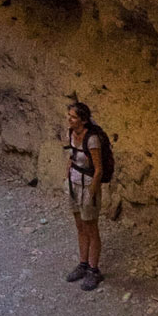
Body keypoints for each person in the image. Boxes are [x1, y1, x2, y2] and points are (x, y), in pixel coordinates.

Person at [65, 99, 107, 291]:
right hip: (74, 184)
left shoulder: (92, 139)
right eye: (69, 116)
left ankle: (94, 269)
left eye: (73, 117)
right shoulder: (72, 134)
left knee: (91, 228)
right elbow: (71, 157)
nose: (69, 119)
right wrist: (66, 179)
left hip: (87, 186)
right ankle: (83, 264)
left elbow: (98, 169)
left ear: (82, 119)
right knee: (80, 226)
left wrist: (92, 192)